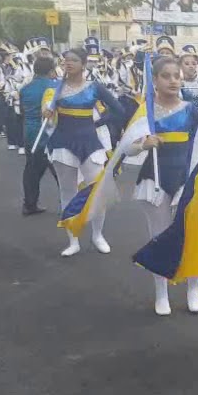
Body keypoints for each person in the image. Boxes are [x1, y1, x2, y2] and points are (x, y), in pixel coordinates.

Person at [129, 55, 198, 316]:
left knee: (190, 234)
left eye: (176, 75)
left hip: (185, 177)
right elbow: (125, 148)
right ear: (155, 80)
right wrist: (142, 144)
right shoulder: (144, 110)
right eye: (166, 76)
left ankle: (193, 286)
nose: (173, 80)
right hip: (155, 178)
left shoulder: (190, 109)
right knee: (158, 236)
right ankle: (161, 294)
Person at [45, 48, 124, 257]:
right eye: (65, 60)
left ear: (83, 64)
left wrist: (98, 121)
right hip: (62, 142)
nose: (68, 63)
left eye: (73, 60)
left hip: (90, 142)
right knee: (67, 191)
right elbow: (48, 120)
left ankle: (98, 235)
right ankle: (73, 240)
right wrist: (48, 114)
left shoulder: (94, 87)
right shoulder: (55, 89)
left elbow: (119, 109)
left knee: (98, 189)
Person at [19, 55, 59, 216]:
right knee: (62, 172)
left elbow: (22, 111)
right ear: (51, 71)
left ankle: (29, 204)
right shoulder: (56, 87)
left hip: (30, 133)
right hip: (51, 133)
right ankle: (71, 205)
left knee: (31, 171)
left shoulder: (25, 89)